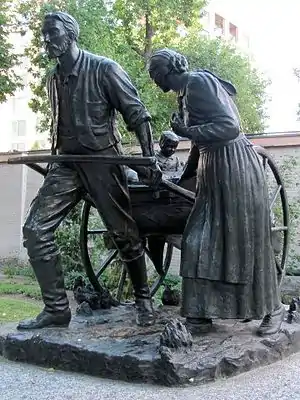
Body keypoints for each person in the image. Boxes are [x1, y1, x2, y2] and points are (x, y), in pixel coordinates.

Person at [17, 11, 161, 330]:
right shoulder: (53, 78)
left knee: (123, 233)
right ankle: (56, 309)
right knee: (35, 230)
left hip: (102, 161)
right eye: (44, 34)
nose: (46, 39)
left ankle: (143, 300)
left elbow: (137, 114)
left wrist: (150, 158)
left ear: (70, 34)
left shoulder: (105, 69)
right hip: (66, 164)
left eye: (52, 32)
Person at [148, 48, 285, 336]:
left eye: (155, 74)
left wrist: (185, 131)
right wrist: (181, 176)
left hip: (234, 169)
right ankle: (201, 314)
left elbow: (229, 127)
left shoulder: (198, 82)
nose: (154, 80)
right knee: (199, 241)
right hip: (213, 173)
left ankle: (274, 309)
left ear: (168, 70)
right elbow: (200, 143)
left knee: (245, 243)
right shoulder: (185, 92)